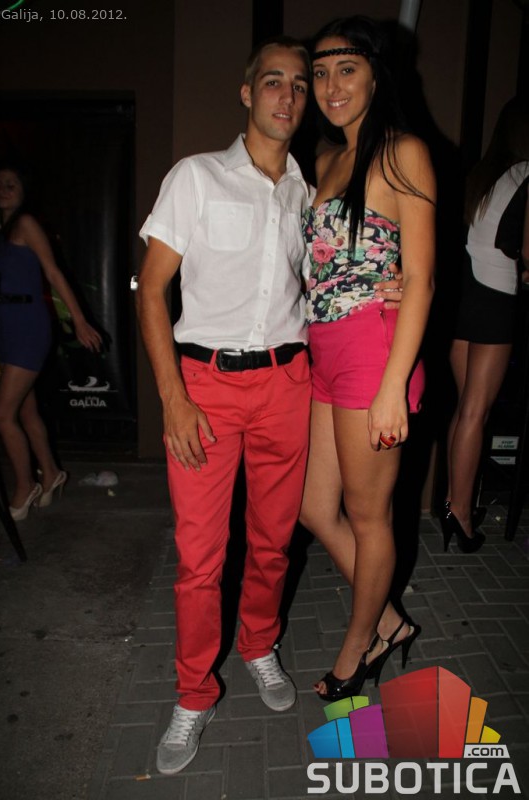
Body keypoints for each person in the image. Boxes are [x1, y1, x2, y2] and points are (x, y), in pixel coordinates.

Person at [137, 34, 405, 775]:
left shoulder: (306, 189)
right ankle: (194, 691)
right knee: (200, 558)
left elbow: (342, 267)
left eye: (300, 84)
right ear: (247, 92)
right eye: (274, 81)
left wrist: (397, 283)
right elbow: (152, 290)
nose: (289, 95)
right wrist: (173, 398)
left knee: (272, 541)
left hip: (289, 381)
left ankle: (258, 644)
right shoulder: (196, 176)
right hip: (206, 386)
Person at [298, 16, 436, 702]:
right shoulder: (326, 159)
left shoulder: (402, 152)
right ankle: (387, 621)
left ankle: (359, 650)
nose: (331, 85)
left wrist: (391, 388)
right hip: (323, 346)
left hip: (372, 349)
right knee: (312, 507)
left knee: (367, 514)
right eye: (320, 72)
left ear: (376, 75)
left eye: (346, 68)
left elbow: (423, 278)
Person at [442, 98, 529, 552]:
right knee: (477, 412)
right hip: (495, 298)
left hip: (464, 294)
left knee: (465, 410)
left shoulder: (484, 175)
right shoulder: (527, 175)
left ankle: (453, 504)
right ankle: (461, 516)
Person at [0, 163, 102, 520]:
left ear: (24, 191)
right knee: (25, 410)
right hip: (7, 325)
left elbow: (54, 272)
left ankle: (25, 485)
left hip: (28, 325)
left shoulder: (27, 224)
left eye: (11, 184)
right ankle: (52, 472)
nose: (3, 189)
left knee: (2, 415)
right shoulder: (2, 231)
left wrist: (80, 321)